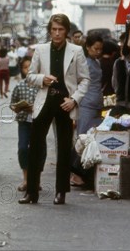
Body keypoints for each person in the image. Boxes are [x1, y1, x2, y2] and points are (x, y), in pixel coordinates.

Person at [18, 13, 90, 205]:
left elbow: (85, 80)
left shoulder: (76, 51)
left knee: (64, 149)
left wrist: (74, 100)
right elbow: (30, 76)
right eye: (54, 30)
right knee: (35, 146)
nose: (57, 33)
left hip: (65, 103)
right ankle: (31, 193)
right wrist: (43, 79)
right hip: (45, 101)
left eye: (61, 30)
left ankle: (61, 192)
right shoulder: (41, 50)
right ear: (50, 31)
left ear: (66, 31)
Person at [71, 33, 104, 188]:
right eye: (95, 48)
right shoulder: (84, 62)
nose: (98, 51)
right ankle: (75, 174)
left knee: (90, 139)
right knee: (82, 138)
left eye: (100, 49)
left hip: (96, 105)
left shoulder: (96, 61)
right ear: (88, 47)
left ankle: (82, 172)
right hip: (86, 105)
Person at [10, 56, 47, 192]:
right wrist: (20, 107)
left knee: (39, 149)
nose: (28, 70)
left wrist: (37, 108)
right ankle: (26, 179)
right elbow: (13, 105)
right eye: (26, 67)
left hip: (40, 121)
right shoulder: (19, 86)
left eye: (31, 67)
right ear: (22, 70)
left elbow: (48, 104)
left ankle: (36, 180)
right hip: (24, 121)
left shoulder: (43, 86)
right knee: (23, 148)